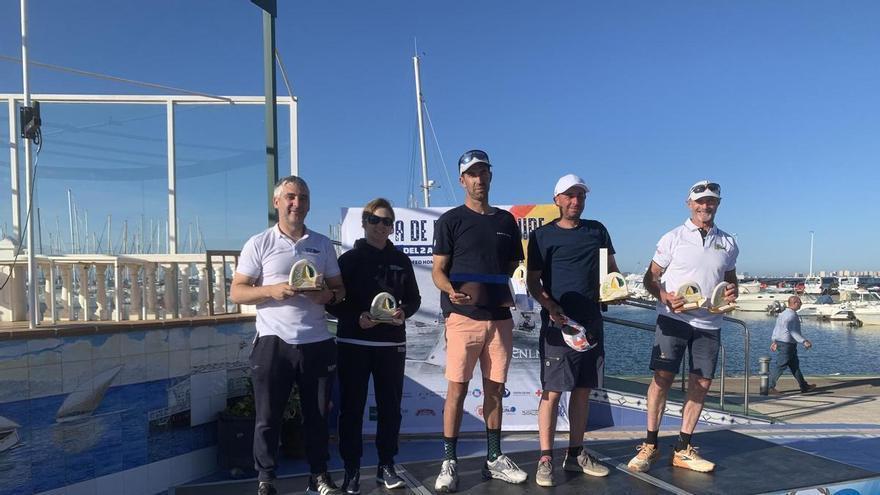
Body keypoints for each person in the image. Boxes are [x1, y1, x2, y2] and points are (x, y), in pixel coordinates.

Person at [231, 176, 346, 495]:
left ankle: (319, 475)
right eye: (291, 197)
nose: (298, 203)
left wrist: (327, 296)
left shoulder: (322, 244)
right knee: (267, 418)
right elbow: (237, 292)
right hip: (273, 343)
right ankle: (266, 479)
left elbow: (340, 289)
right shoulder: (259, 243)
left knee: (318, 418)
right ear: (277, 202)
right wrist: (272, 290)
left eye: (304, 198)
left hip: (317, 343)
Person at [627, 180, 739, 474]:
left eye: (711, 201)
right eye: (700, 201)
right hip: (673, 320)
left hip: (709, 323)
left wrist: (731, 293)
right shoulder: (672, 238)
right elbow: (650, 279)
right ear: (689, 204)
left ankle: (683, 448)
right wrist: (663, 295)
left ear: (718, 204)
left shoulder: (728, 242)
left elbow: (731, 280)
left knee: (701, 384)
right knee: (662, 380)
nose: (705, 206)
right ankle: (650, 444)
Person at [432, 150, 527, 492]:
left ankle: (494, 458)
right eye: (472, 173)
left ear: (490, 175)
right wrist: (450, 291)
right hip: (463, 319)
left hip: (499, 319)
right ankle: (449, 461)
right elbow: (438, 271)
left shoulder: (505, 222)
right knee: (456, 390)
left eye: (483, 171)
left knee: (495, 391)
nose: (479, 178)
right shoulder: (450, 221)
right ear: (462, 180)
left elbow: (514, 268)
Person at [326, 198, 422, 493]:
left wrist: (403, 312)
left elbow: (414, 299)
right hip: (354, 342)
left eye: (387, 222)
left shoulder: (402, 259)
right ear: (365, 222)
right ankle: (352, 470)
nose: (382, 227)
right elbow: (333, 302)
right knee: (352, 409)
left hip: (391, 344)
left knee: (390, 408)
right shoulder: (349, 260)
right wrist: (358, 318)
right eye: (376, 220)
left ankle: (386, 466)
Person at [526, 174, 615, 487]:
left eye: (580, 196)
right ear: (557, 200)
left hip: (590, 324)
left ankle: (575, 453)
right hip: (558, 326)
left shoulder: (598, 230)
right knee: (552, 393)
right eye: (569, 196)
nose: (575, 201)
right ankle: (546, 458)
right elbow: (532, 282)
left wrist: (615, 290)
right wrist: (551, 307)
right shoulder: (541, 236)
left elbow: (611, 272)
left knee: (582, 391)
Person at [768, 296, 816, 394]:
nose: (801, 304)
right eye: (800, 302)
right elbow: (793, 331)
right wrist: (804, 341)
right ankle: (769, 387)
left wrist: (774, 340)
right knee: (780, 366)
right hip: (787, 345)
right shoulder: (792, 316)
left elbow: (777, 328)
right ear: (794, 303)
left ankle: (804, 386)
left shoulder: (782, 314)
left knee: (795, 366)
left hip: (784, 343)